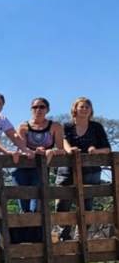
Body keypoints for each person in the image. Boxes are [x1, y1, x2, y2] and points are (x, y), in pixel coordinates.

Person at [58, 96, 112, 239]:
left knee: (87, 205)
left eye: (87, 107)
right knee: (63, 203)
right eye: (81, 106)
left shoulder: (96, 127)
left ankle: (81, 236)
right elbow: (62, 141)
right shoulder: (67, 126)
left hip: (91, 170)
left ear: (91, 110)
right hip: (68, 170)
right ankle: (64, 235)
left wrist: (95, 150)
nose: (84, 109)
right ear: (75, 109)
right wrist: (70, 150)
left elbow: (107, 148)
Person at [12, 97, 64, 243]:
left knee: (37, 205)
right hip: (22, 169)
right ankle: (24, 241)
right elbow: (21, 148)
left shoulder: (55, 126)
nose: (38, 110)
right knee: (24, 206)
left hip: (40, 170)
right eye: (35, 107)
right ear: (31, 109)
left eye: (41, 107)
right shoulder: (23, 127)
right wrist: (34, 151)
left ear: (47, 109)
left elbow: (61, 149)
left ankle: (38, 241)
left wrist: (50, 151)